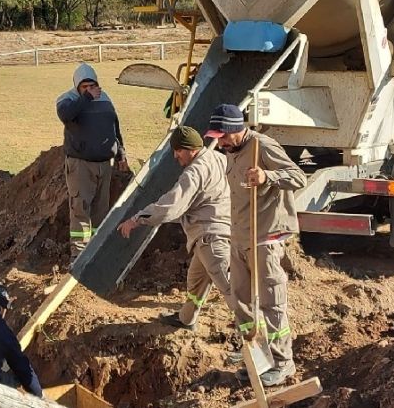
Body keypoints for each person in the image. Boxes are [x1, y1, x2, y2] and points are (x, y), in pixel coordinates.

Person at [205, 103, 307, 387]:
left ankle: (283, 363)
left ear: (236, 130)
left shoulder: (263, 146)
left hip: (264, 238)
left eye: (223, 136)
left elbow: (298, 177)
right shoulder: (231, 153)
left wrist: (267, 177)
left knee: (271, 302)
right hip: (239, 237)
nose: (220, 142)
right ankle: (258, 357)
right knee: (242, 302)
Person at [117, 126, 236, 331]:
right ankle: (186, 319)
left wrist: (137, 219)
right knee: (196, 280)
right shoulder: (218, 158)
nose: (175, 156)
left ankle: (258, 342)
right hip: (213, 234)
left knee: (234, 291)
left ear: (190, 149)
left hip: (212, 238)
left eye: (178, 150)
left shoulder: (195, 171)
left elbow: (170, 207)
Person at [56, 63, 128, 259]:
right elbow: (66, 115)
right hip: (80, 165)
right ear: (77, 86)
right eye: (84, 87)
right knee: (80, 208)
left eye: (91, 86)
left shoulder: (105, 99)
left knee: (100, 210)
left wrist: (121, 154)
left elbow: (115, 130)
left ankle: (96, 253)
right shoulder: (67, 99)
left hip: (105, 165)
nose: (89, 90)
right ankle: (78, 255)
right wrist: (87, 98)